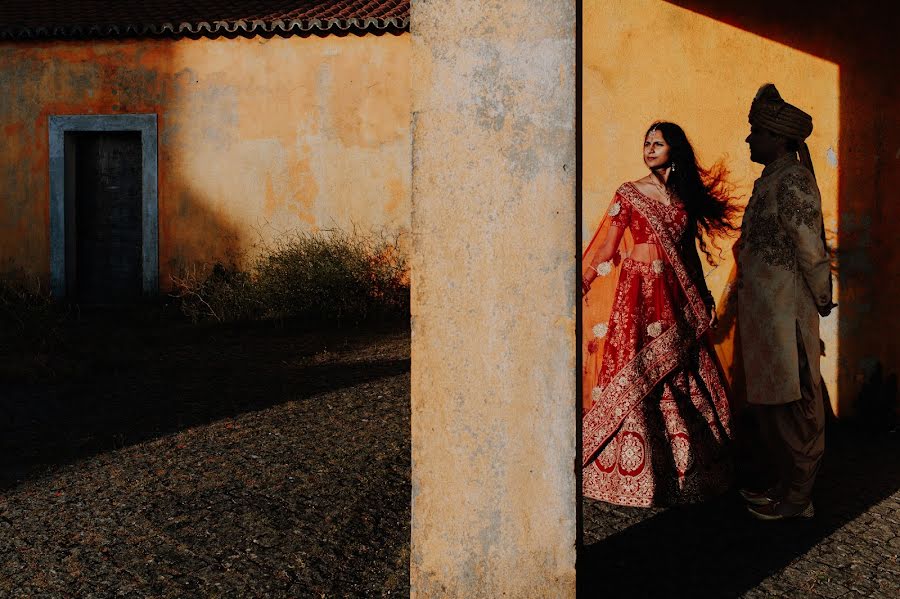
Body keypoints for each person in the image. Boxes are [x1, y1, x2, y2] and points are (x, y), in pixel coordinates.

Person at [581, 122, 740, 507]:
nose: (650, 149)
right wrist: (579, 282)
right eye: (646, 143)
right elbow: (605, 249)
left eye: (658, 143)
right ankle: (627, 472)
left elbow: (688, 257)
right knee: (636, 371)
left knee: (679, 371)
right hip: (636, 296)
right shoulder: (630, 193)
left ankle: (685, 470)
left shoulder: (683, 201)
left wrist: (702, 296)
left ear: (674, 151)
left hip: (673, 298)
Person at [736, 84, 834, 520]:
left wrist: (822, 297)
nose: (749, 138)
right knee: (774, 402)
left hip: (784, 314)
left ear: (778, 137)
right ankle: (785, 485)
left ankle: (798, 499)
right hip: (764, 314)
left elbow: (810, 247)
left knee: (795, 404)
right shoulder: (773, 179)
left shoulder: (793, 180)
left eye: (756, 131)